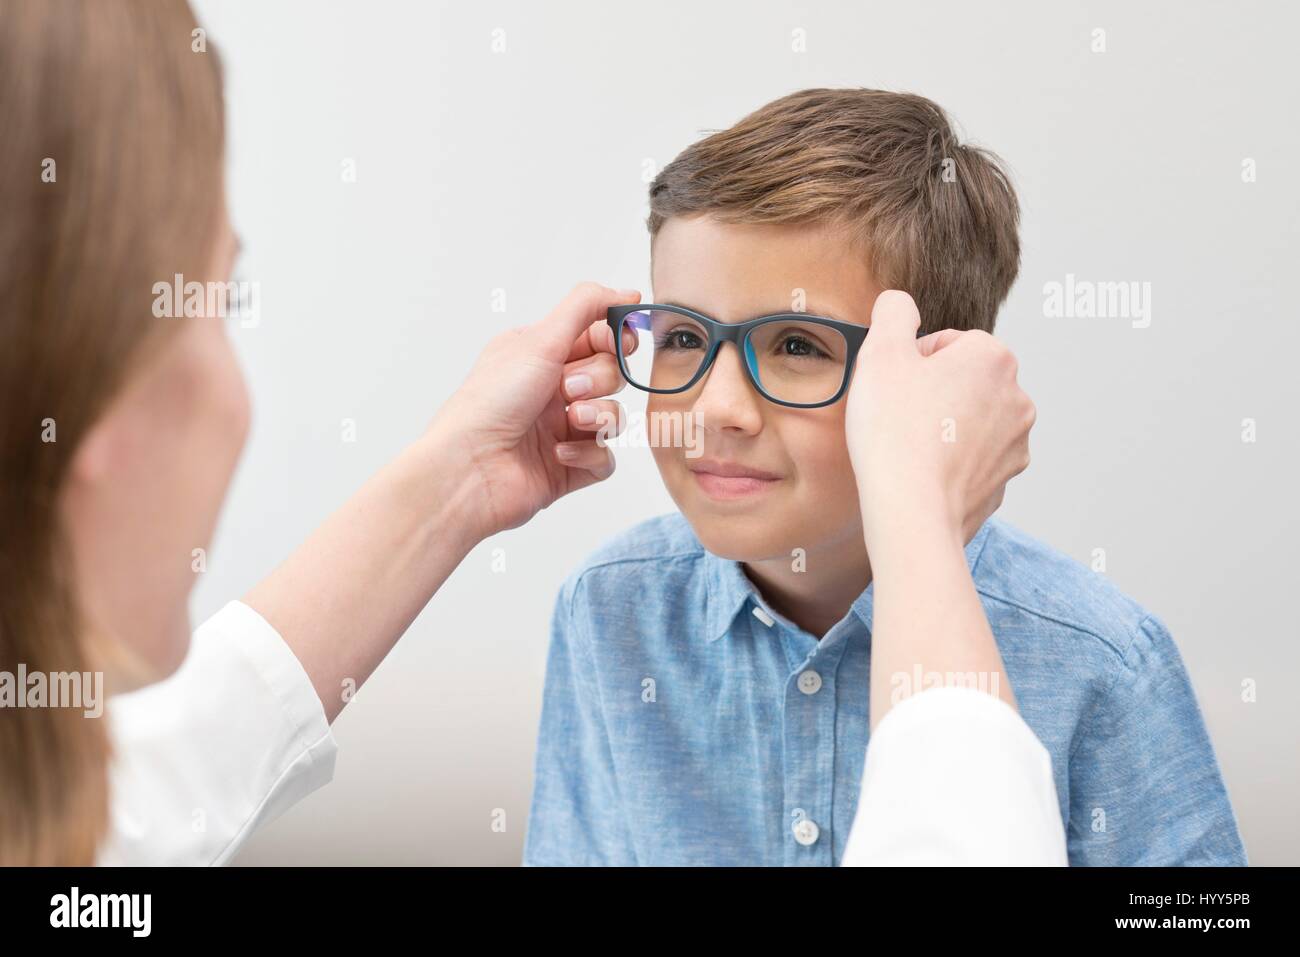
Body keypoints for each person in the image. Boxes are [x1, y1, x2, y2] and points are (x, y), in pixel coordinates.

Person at [523, 88, 1246, 866]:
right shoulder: (609, 609)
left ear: (941, 378)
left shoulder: (1100, 658)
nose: (718, 407)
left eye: (798, 345)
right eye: (682, 334)